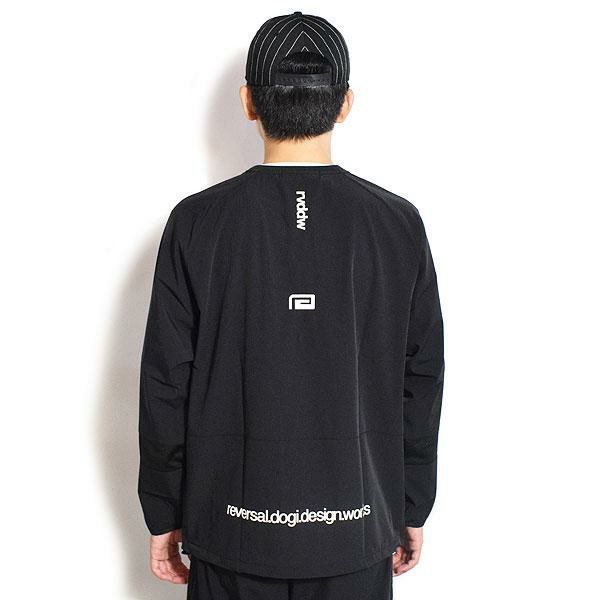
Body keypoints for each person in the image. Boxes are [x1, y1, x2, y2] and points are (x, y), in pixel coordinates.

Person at [137, 11, 445, 600]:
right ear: (345, 103)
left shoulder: (197, 222)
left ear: (249, 102)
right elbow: (421, 378)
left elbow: (165, 382)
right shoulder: (397, 224)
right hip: (357, 527)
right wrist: (410, 503)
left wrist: (163, 511)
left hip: (230, 528)